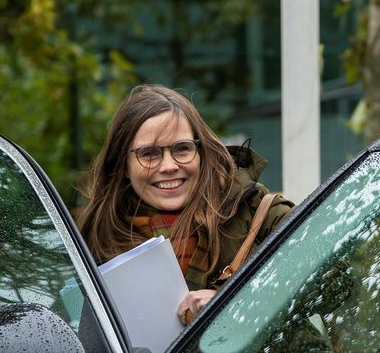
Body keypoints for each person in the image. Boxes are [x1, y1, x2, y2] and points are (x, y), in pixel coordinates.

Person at [78, 84, 294, 325]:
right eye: (149, 154)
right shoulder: (92, 242)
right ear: (123, 165)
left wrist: (233, 302)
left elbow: (328, 277)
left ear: (200, 152)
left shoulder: (258, 210)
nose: (169, 166)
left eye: (182, 149)